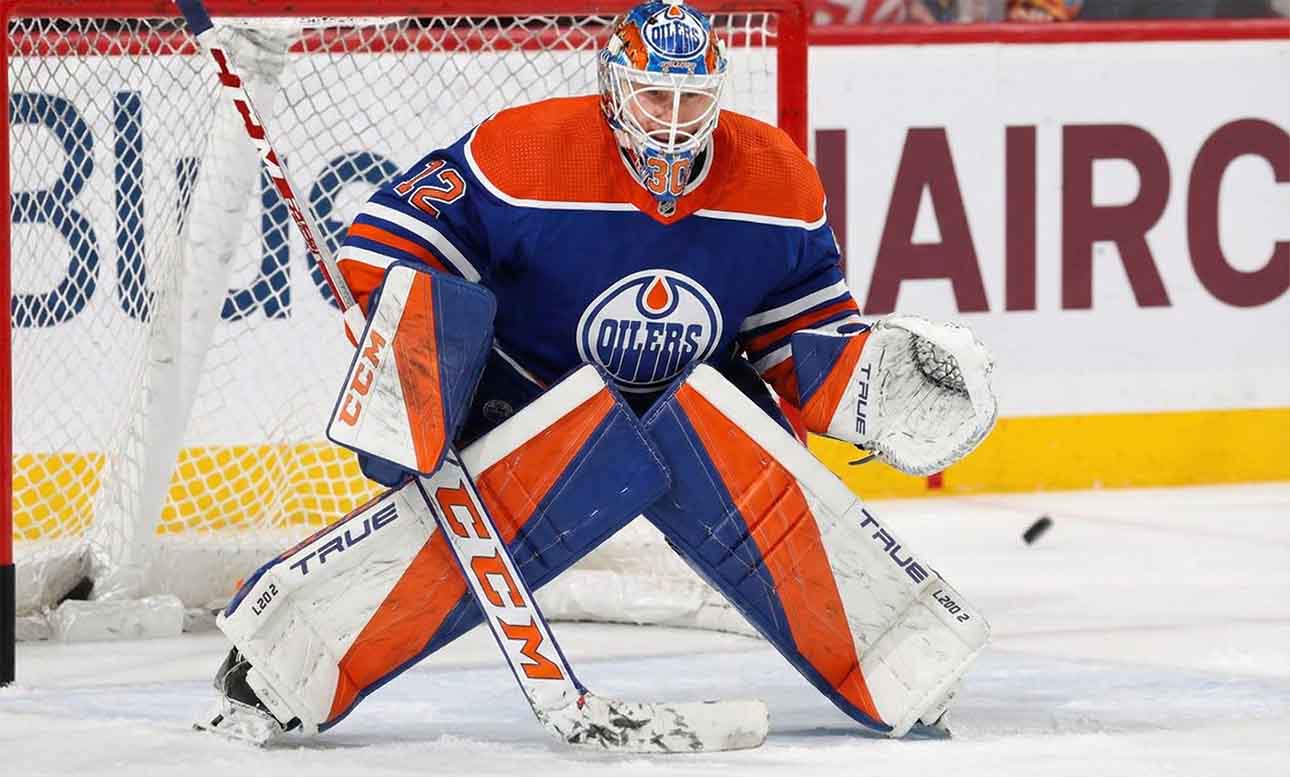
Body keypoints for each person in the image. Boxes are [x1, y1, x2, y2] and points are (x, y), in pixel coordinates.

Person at [200, 0, 996, 743]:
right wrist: (412, 346)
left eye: (692, 99)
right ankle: (280, 659)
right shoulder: (524, 152)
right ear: (614, 91)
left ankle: (899, 651)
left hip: (695, 397)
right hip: (526, 401)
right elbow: (389, 236)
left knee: (749, 461)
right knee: (484, 510)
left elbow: (798, 331)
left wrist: (871, 385)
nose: (675, 120)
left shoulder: (776, 179)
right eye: (655, 97)